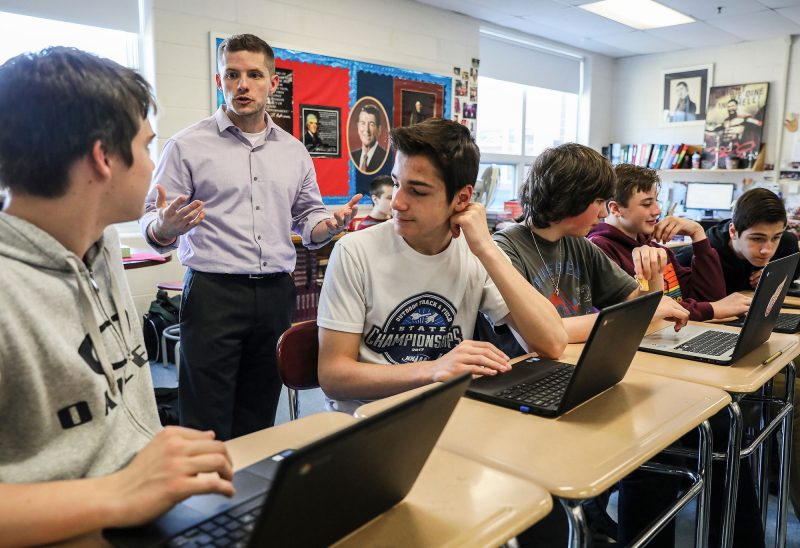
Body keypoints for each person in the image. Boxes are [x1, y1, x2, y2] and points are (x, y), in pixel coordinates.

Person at [0, 47, 235, 546]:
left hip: (148, 517)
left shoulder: (98, 237)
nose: (153, 165)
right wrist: (119, 492)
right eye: (147, 146)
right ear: (103, 158)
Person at [140, 34, 361, 441]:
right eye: (233, 74)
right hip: (213, 294)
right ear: (220, 80)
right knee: (205, 418)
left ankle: (250, 498)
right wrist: (165, 228)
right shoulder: (186, 146)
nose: (243, 84)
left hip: (276, 294)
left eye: (254, 75)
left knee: (259, 412)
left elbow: (307, 219)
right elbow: (152, 222)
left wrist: (329, 226)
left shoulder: (294, 151)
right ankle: (205, 500)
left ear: (272, 83)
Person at [316, 118, 567, 415]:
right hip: (368, 418)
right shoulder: (354, 251)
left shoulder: (476, 252)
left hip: (446, 411)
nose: (397, 203)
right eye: (397, 184)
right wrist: (433, 369)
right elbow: (333, 376)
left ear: (461, 199)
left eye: (417, 191)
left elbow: (552, 343)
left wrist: (487, 249)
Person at [676, 187, 800, 524]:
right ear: (733, 231)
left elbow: (788, 272)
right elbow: (683, 313)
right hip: (717, 354)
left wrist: (782, 284)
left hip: (759, 338)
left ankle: (774, 469)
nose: (767, 249)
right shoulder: (701, 254)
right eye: (758, 238)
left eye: (775, 238)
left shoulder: (785, 246)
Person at [588, 164, 751, 322]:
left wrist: (698, 234)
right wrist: (711, 310)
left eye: (656, 201)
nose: (657, 210)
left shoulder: (656, 248)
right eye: (646, 204)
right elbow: (636, 314)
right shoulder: (599, 250)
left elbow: (712, 298)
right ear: (616, 209)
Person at [351, 104, 387, 174]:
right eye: (363, 123)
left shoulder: (384, 158)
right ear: (358, 127)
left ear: (379, 130)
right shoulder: (352, 156)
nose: (366, 130)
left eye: (371, 124)